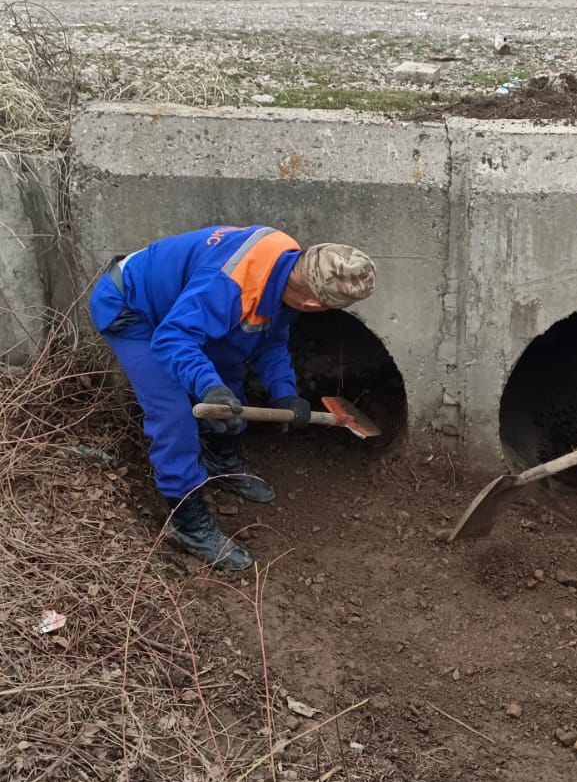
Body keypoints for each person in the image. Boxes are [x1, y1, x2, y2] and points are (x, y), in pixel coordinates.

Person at [90, 227, 376, 570]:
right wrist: (208, 386)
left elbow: (269, 340)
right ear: (312, 304)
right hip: (132, 308)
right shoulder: (228, 284)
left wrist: (285, 394)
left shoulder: (287, 267)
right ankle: (188, 525)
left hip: (180, 309)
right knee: (174, 414)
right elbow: (172, 338)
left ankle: (220, 461)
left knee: (229, 376)